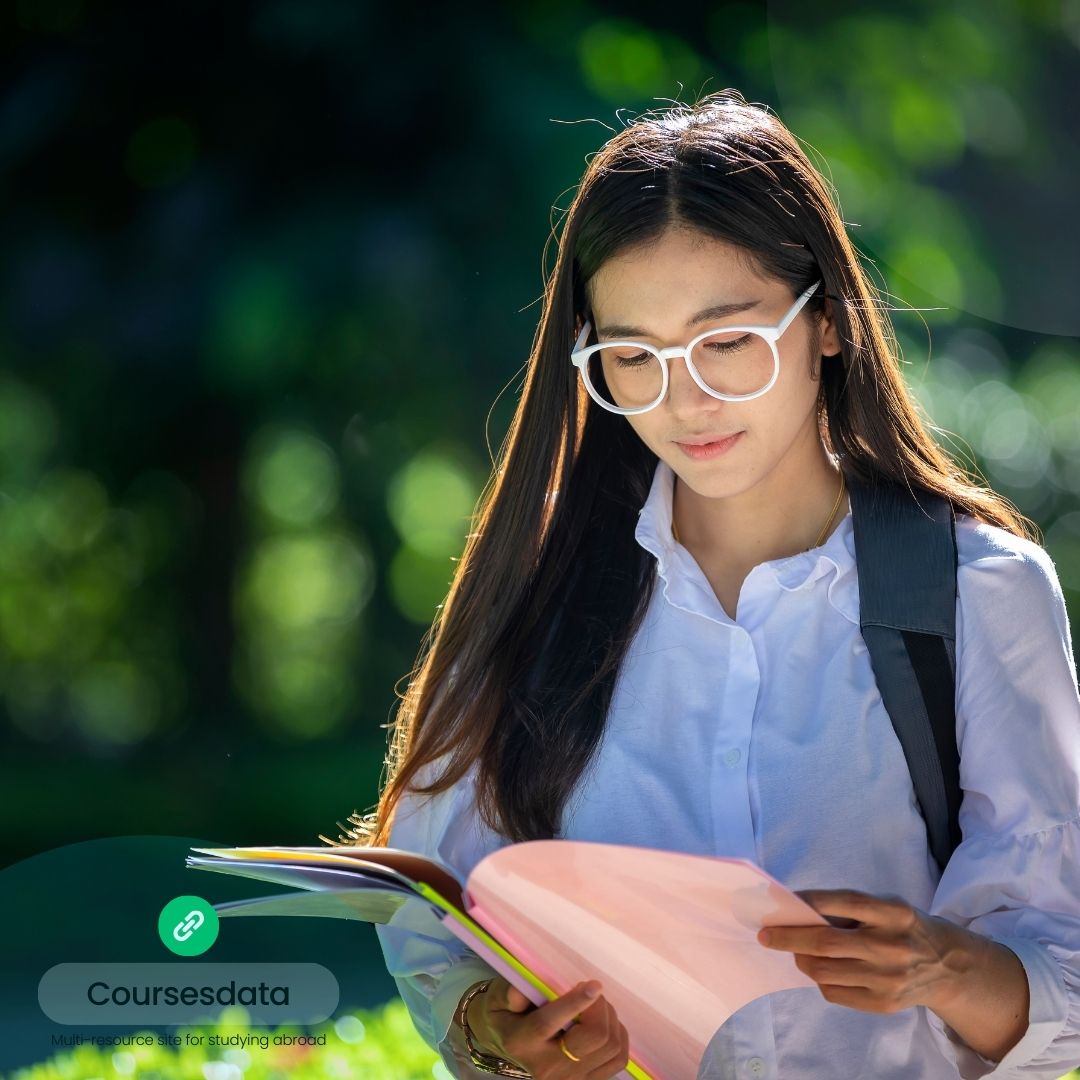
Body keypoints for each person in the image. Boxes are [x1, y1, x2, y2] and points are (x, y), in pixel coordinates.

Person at [329, 89, 1080, 1078]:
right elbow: (432, 916)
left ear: (830, 324)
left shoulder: (979, 593)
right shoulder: (538, 586)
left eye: (728, 341)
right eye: (632, 356)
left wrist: (944, 968)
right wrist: (498, 1039)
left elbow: (1064, 963)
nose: (685, 400)